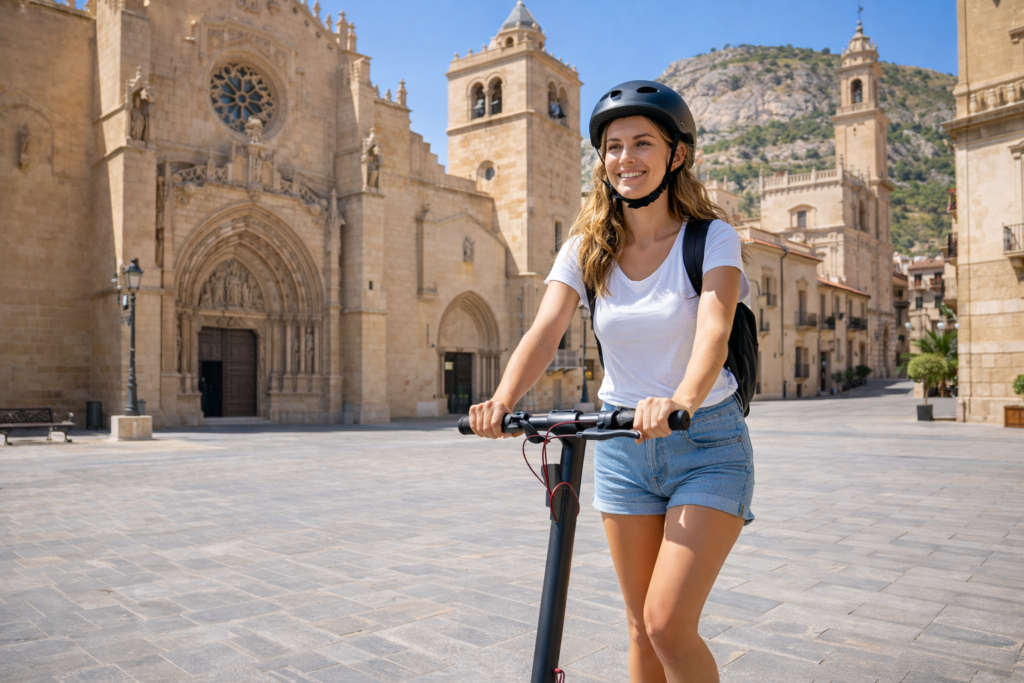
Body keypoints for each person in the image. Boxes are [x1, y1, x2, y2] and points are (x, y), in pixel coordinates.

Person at [469, 80, 753, 682]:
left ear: (677, 154)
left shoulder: (710, 239)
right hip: (622, 445)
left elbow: (714, 331)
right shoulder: (585, 248)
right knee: (638, 630)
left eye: (642, 143)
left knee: (667, 624)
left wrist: (680, 400)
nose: (626, 158)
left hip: (705, 443)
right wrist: (501, 400)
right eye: (613, 146)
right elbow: (545, 331)